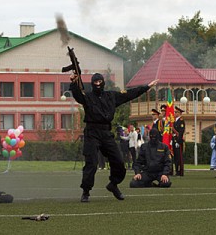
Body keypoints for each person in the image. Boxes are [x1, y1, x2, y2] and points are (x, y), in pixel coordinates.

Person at [69, 72, 158, 202]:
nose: (98, 84)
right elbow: (78, 96)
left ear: (103, 82)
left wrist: (146, 87)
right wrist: (73, 82)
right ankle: (86, 191)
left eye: (100, 82)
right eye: (95, 82)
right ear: (93, 84)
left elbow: (129, 94)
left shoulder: (111, 96)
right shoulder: (87, 97)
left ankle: (113, 184)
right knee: (91, 163)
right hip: (92, 132)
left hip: (106, 132)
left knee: (119, 162)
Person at [172, 106, 185, 176]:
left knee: (179, 157)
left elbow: (181, 132)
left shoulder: (181, 120)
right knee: (176, 157)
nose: (175, 113)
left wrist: (178, 141)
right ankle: (177, 170)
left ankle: (180, 171)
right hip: (174, 140)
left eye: (176, 112)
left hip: (178, 141)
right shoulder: (174, 121)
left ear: (180, 113)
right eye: (175, 112)